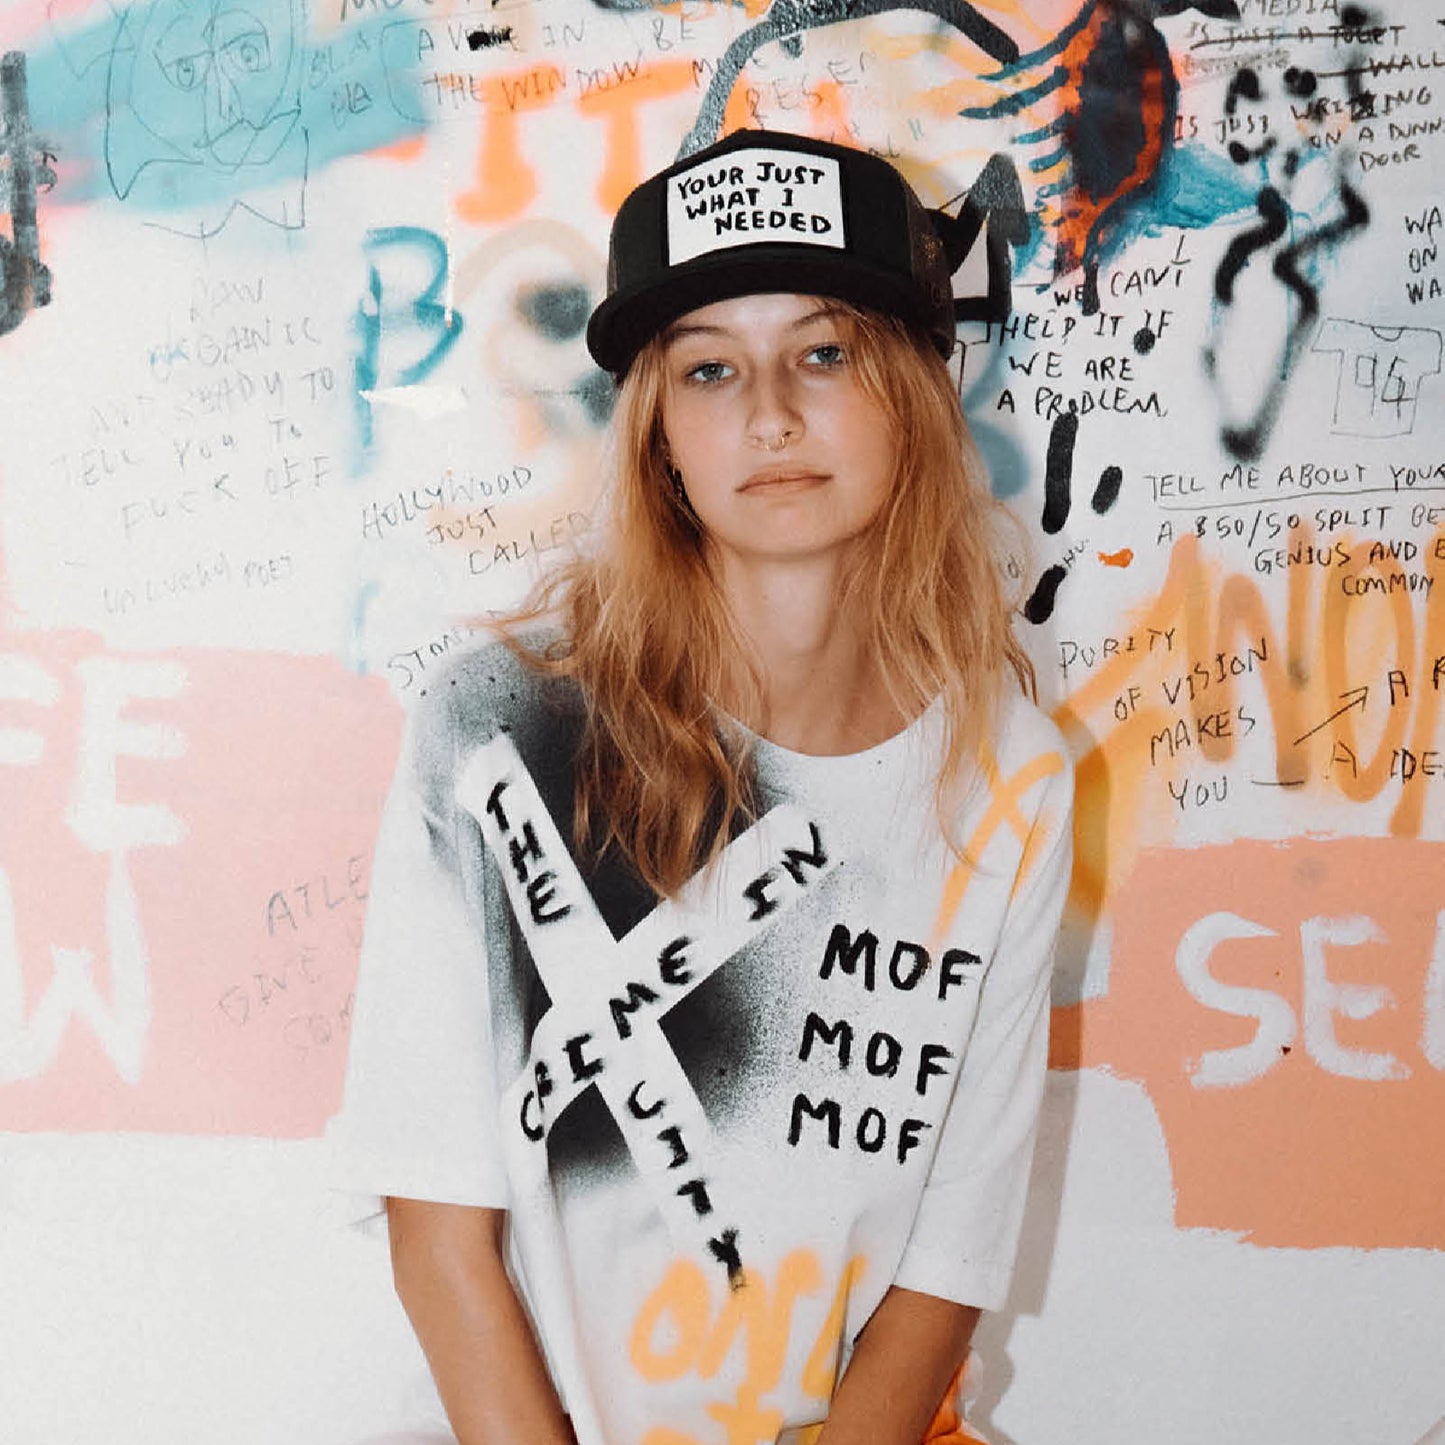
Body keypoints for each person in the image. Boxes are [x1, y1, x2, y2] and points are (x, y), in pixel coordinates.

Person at [330, 129, 1074, 1445]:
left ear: (908, 385)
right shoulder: (499, 725)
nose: (772, 412)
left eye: (823, 350)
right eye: (711, 369)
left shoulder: (1004, 769)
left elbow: (946, 1261)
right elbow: (436, 1233)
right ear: (658, 433)